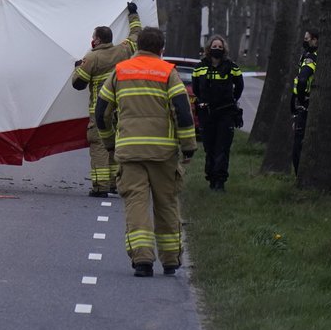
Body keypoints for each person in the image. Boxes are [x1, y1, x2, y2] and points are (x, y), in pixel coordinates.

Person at [94, 27, 197, 278]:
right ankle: (171, 260)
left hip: (130, 152)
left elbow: (101, 112)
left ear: (138, 45)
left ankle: (142, 260)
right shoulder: (168, 73)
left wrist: (109, 143)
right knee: (166, 204)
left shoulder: (121, 71)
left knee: (136, 204)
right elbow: (182, 112)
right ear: (161, 49)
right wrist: (188, 147)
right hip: (163, 153)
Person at [72, 2, 142, 197]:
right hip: (122, 109)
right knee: (116, 145)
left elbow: (78, 83)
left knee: (100, 146)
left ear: (98, 39)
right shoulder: (124, 50)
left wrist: (78, 67)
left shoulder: (92, 58)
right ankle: (114, 184)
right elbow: (136, 34)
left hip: (100, 111)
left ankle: (101, 187)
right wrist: (133, 14)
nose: (91, 40)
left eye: (93, 37)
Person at [192, 35, 244, 191]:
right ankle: (211, 178)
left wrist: (232, 100)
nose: (217, 49)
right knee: (210, 147)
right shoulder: (200, 67)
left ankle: (220, 182)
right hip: (207, 113)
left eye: (220, 47)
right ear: (209, 48)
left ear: (224, 49)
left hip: (226, 113)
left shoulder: (232, 67)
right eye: (214, 46)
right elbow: (196, 88)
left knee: (222, 147)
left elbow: (239, 86)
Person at [290, 29, 318, 175]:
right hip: (303, 104)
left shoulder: (311, 58)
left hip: (305, 105)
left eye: (307, 38)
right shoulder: (306, 55)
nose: (304, 41)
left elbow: (302, 80)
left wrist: (300, 99)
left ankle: (299, 176)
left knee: (298, 145)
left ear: (315, 40)